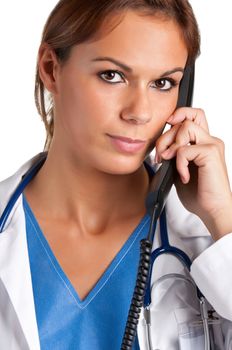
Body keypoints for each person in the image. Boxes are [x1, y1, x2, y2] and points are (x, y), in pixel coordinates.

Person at [0, 0, 232, 349]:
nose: (139, 113)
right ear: (51, 69)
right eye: (112, 76)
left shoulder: (209, 241)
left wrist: (222, 218)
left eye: (163, 83)